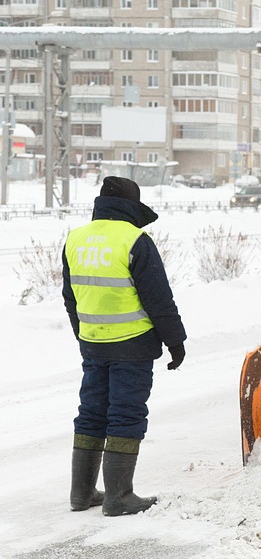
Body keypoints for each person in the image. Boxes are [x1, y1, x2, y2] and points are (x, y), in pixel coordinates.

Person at [62, 176, 187, 517]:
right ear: (132, 207)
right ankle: (118, 497)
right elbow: (158, 298)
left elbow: (70, 298)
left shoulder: (75, 239)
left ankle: (82, 493)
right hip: (132, 344)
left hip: (92, 342)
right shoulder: (135, 240)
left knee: (91, 412)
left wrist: (83, 334)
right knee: (125, 414)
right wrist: (175, 341)